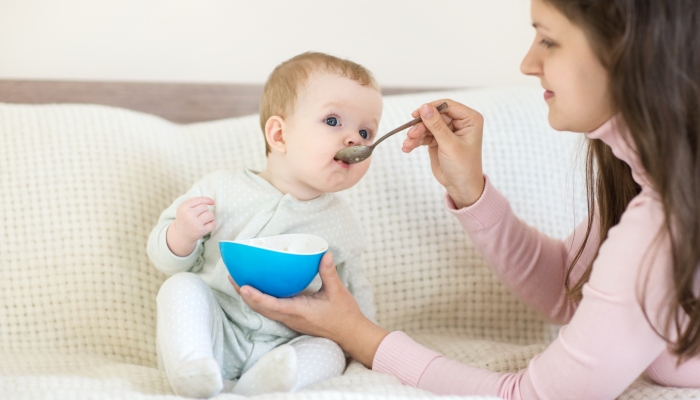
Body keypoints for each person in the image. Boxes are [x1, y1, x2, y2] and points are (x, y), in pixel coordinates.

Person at [229, 0, 700, 398]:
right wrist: (468, 189)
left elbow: (532, 395)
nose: (528, 63)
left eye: (548, 40)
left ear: (627, 51)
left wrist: (355, 333)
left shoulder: (662, 224)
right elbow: (571, 290)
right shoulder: (652, 181)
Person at [146, 52, 380, 398]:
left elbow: (355, 295)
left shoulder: (341, 222)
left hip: (290, 341)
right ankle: (192, 367)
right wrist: (182, 234)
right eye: (333, 121)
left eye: (365, 131)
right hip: (219, 331)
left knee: (330, 351)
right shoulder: (221, 189)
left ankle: (267, 384)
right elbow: (163, 259)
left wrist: (365, 342)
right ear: (279, 135)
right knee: (180, 286)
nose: (354, 140)